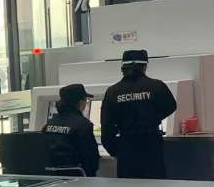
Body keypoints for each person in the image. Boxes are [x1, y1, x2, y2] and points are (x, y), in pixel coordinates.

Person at [100, 49, 177, 179]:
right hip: (152, 146)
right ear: (144, 66)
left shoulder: (113, 91)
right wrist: (153, 118)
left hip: (126, 148)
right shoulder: (157, 86)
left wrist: (117, 151)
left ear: (123, 67)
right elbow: (171, 106)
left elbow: (107, 127)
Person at [42, 83, 100, 176]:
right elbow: (92, 157)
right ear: (80, 102)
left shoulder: (49, 124)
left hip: (51, 176)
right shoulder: (83, 125)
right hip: (78, 176)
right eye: (85, 100)